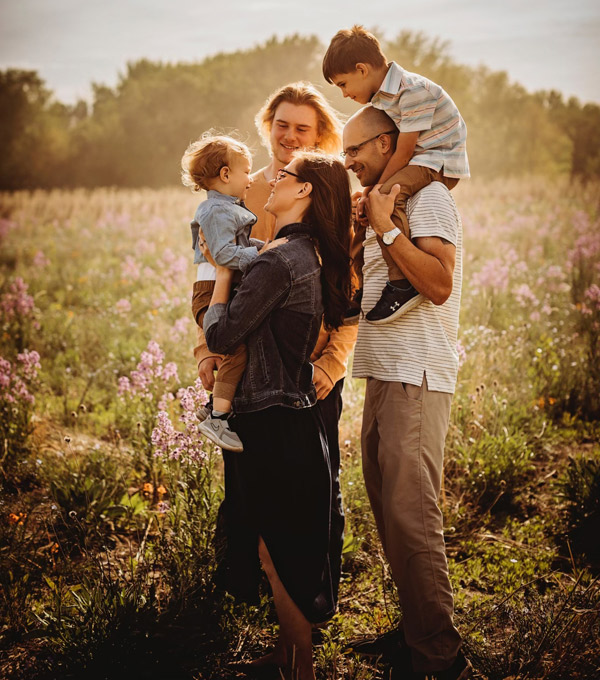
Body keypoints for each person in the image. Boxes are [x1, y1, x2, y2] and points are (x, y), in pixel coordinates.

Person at [195, 82, 357, 601]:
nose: (288, 136)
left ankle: (311, 611)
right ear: (268, 127)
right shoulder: (238, 194)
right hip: (245, 365)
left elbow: (347, 300)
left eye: (302, 129)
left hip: (309, 377)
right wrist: (207, 351)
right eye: (281, 124)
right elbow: (207, 278)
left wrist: (329, 368)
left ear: (320, 134)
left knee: (315, 495)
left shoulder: (327, 190)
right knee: (243, 490)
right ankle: (245, 602)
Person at [343, 105, 472, 680]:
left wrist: (386, 228)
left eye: (357, 150)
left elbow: (439, 284)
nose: (350, 162)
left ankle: (440, 660)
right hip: (382, 374)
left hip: (416, 376)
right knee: (392, 515)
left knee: (413, 516)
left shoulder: (429, 200)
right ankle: (414, 633)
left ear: (389, 142)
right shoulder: (381, 204)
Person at [323, 25, 469, 325]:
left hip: (436, 160)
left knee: (387, 198)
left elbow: (402, 152)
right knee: (366, 205)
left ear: (362, 69)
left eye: (342, 84)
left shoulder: (410, 91)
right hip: (420, 158)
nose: (344, 93)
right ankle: (359, 286)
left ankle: (400, 281)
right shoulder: (383, 97)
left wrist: (376, 188)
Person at [181, 133, 260, 452]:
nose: (250, 179)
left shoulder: (228, 207)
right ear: (225, 174)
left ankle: (214, 406)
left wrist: (263, 247)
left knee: (238, 347)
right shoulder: (215, 211)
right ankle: (217, 417)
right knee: (235, 349)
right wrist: (261, 255)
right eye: (246, 171)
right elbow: (225, 255)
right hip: (212, 289)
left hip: (219, 286)